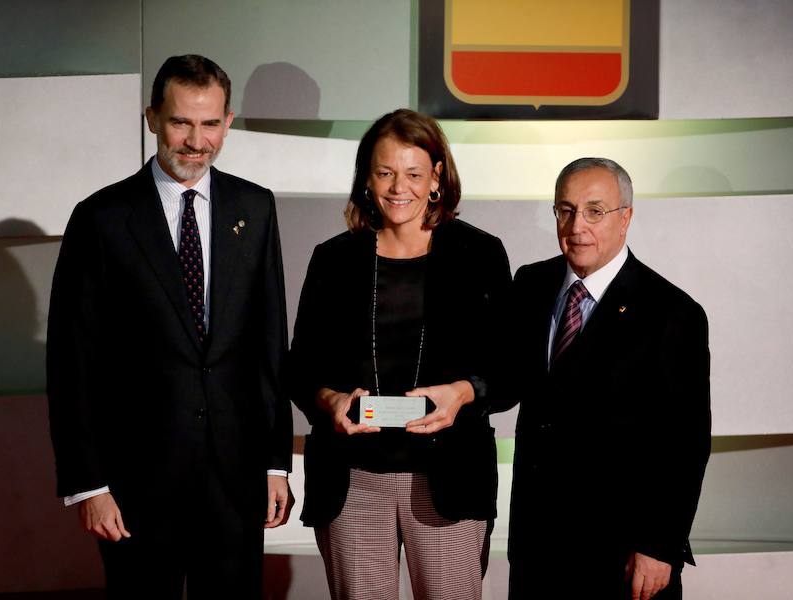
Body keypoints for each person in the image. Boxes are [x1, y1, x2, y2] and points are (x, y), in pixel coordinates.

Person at [46, 54, 294, 598]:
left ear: (228, 122)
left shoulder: (255, 209)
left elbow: (269, 346)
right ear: (152, 117)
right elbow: (73, 361)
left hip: (235, 479)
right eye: (181, 122)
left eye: (210, 124)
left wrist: (276, 464)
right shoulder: (101, 218)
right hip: (135, 486)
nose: (195, 141)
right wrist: (89, 484)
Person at [289, 108, 511, 600]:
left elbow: (510, 367)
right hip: (353, 482)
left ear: (437, 177)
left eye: (413, 173)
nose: (398, 188)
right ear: (367, 178)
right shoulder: (334, 258)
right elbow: (300, 366)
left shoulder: (480, 254)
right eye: (385, 172)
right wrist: (329, 401)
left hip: (448, 480)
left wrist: (462, 392)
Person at [498, 158, 711, 600]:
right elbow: (506, 378)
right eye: (566, 210)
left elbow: (685, 442)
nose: (577, 226)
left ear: (626, 217)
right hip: (537, 545)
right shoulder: (531, 284)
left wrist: (658, 545)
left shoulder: (672, 313)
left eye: (595, 211)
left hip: (622, 554)